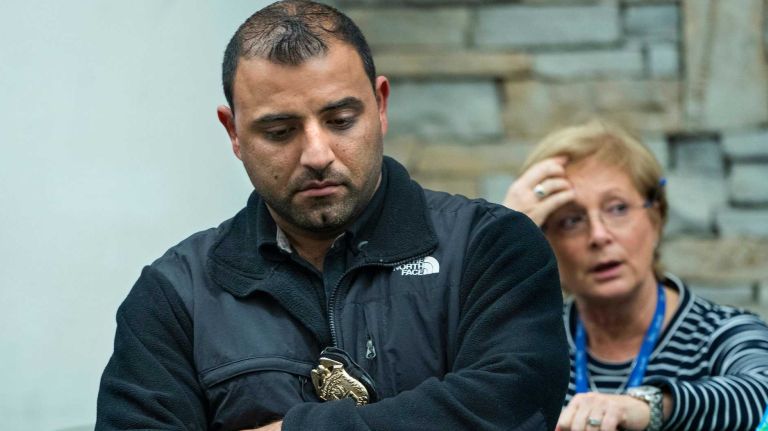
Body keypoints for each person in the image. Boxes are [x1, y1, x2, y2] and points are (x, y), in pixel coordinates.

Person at [95, 1, 570, 430]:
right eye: (280, 131)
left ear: (380, 106)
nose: (317, 153)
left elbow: (506, 411)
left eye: (341, 121)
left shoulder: (491, 247)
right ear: (233, 132)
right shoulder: (174, 297)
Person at [503, 120, 768, 431]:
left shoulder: (722, 334)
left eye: (617, 209)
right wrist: (505, 236)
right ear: (545, 244)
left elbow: (762, 393)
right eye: (571, 221)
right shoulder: (528, 345)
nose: (599, 235)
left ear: (656, 218)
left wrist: (650, 405)